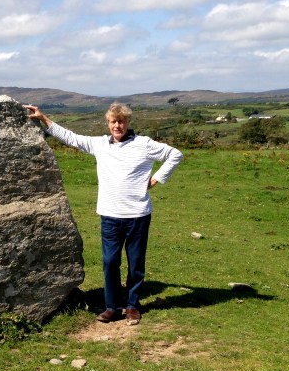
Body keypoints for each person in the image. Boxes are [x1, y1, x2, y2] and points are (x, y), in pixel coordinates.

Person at [25, 102, 183, 325]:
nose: (117, 125)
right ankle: (112, 307)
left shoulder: (144, 144)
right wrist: (44, 119)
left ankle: (132, 306)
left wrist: (157, 178)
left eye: (121, 121)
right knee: (110, 262)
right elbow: (71, 138)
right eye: (113, 121)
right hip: (110, 214)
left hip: (138, 214)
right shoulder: (99, 144)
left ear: (128, 123)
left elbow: (175, 154)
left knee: (136, 263)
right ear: (107, 123)